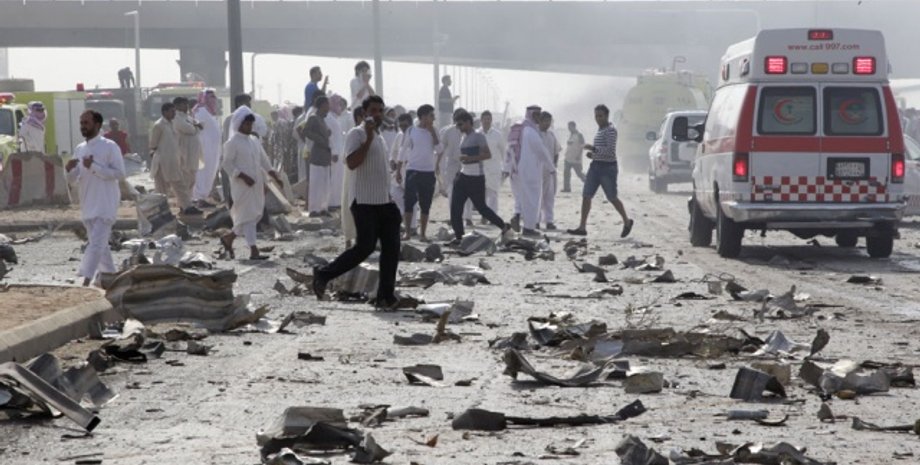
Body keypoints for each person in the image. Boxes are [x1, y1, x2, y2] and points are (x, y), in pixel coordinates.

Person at [313, 95, 401, 309]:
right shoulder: (357, 134)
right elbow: (352, 163)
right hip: (364, 202)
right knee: (365, 247)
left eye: (380, 110)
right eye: (373, 110)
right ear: (363, 113)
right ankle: (323, 275)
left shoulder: (379, 136)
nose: (377, 115)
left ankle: (385, 295)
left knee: (392, 248)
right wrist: (368, 139)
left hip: (383, 201)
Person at [65, 110, 126, 286]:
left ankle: (85, 281)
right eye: (81, 123)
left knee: (96, 245)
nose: (83, 126)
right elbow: (73, 180)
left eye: (86, 123)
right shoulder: (80, 149)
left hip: (105, 203)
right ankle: (110, 278)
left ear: (97, 125)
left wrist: (94, 166)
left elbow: (119, 174)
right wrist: (68, 170)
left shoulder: (109, 146)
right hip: (87, 203)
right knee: (100, 245)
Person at [220, 108, 282, 260]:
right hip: (242, 185)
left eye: (250, 124)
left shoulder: (254, 141)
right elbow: (227, 164)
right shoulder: (232, 143)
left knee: (252, 215)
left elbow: (264, 160)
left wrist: (274, 176)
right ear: (239, 124)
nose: (249, 127)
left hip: (256, 183)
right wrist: (242, 176)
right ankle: (254, 250)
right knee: (247, 215)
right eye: (246, 124)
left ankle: (229, 238)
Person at [567, 104, 634, 238]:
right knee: (587, 195)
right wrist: (593, 154)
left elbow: (609, 151)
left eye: (600, 116)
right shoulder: (600, 130)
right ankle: (582, 227)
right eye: (596, 116)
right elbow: (601, 151)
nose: (598, 118)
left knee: (612, 197)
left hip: (607, 168)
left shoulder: (610, 130)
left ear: (606, 116)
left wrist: (592, 149)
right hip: (596, 166)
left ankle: (626, 221)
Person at [449, 110, 509, 243]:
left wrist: (470, 158)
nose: (459, 128)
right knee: (455, 208)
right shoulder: (463, 136)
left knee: (482, 208)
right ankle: (460, 237)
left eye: (461, 124)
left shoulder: (478, 136)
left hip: (476, 177)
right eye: (457, 125)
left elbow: (487, 155)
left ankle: (503, 226)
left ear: (469, 123)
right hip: (463, 176)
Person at [400, 104, 440, 241]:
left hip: (428, 172)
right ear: (423, 117)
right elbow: (403, 149)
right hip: (413, 170)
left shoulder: (434, 130)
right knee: (409, 202)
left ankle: (423, 234)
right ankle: (407, 232)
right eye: (431, 116)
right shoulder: (411, 130)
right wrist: (399, 169)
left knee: (425, 204)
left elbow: (439, 150)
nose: (433, 118)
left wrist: (432, 132)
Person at [517, 105, 554, 236]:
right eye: (536, 115)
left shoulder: (528, 129)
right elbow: (541, 151)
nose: (539, 118)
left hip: (528, 169)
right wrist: (552, 168)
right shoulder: (530, 131)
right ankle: (529, 228)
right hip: (530, 171)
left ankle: (528, 225)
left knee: (530, 199)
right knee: (532, 200)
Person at [149, 102, 191, 213]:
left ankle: (186, 207)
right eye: (172, 112)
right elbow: (153, 144)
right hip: (162, 162)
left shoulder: (172, 124)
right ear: (165, 112)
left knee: (180, 186)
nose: (174, 114)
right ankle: (163, 211)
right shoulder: (159, 125)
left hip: (174, 161)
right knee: (161, 189)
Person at [437, 108, 472, 225]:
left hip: (467, 164)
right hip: (451, 164)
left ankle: (467, 217)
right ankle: (454, 217)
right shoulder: (448, 131)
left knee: (467, 192)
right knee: (452, 191)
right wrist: (437, 164)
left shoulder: (470, 131)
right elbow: (441, 149)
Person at [172, 97, 204, 215]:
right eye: (182, 105)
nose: (185, 107)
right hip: (184, 154)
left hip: (193, 154)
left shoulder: (188, 117)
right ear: (176, 106)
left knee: (191, 180)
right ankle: (184, 206)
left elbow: (198, 128)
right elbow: (189, 129)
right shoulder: (177, 118)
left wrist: (196, 127)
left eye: (186, 104)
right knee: (185, 181)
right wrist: (196, 126)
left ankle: (188, 204)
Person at [192, 89, 222, 207]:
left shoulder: (209, 113)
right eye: (210, 97)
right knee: (202, 173)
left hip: (212, 150)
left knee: (210, 172)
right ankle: (199, 197)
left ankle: (203, 197)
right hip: (204, 149)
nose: (213, 99)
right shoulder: (201, 111)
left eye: (214, 97)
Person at [305, 96, 334, 217]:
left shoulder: (322, 119)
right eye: (327, 104)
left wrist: (327, 134)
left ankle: (323, 207)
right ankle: (314, 209)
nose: (329, 107)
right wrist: (320, 139)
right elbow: (305, 131)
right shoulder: (313, 118)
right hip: (317, 155)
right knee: (316, 183)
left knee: (325, 183)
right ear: (322, 105)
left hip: (325, 156)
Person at [480, 111, 505, 217]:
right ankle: (484, 216)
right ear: (481, 120)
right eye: (485, 119)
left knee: (493, 193)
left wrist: (505, 167)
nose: (487, 121)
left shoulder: (497, 135)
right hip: (480, 168)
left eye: (489, 119)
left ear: (491, 120)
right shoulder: (477, 134)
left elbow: (503, 151)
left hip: (494, 168)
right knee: (482, 194)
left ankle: (493, 216)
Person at [538, 111, 561, 230]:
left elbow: (556, 151)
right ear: (540, 121)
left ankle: (549, 221)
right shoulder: (535, 134)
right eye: (545, 121)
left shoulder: (551, 135)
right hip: (537, 171)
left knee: (549, 196)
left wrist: (554, 164)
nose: (547, 124)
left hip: (550, 171)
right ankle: (536, 220)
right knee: (537, 196)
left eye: (549, 121)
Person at [329, 94, 350, 211]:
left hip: (340, 152)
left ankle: (337, 201)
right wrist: (334, 152)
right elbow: (331, 138)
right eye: (338, 104)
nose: (340, 107)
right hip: (335, 154)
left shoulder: (335, 118)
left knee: (339, 179)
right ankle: (333, 202)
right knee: (334, 179)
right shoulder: (330, 118)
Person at [562, 121, 586, 192]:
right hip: (568, 158)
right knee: (566, 173)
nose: (569, 128)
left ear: (574, 126)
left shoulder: (579, 135)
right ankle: (567, 188)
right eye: (568, 127)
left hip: (576, 159)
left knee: (579, 173)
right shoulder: (570, 135)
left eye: (570, 127)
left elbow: (582, 146)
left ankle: (589, 183)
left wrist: (579, 155)